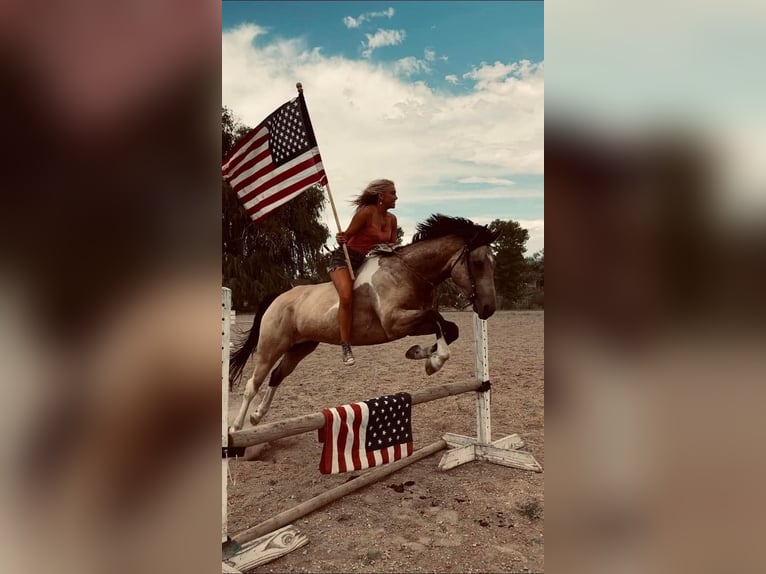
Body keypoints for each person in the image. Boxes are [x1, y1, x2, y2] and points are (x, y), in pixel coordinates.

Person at [329, 179, 399, 365]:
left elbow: (393, 242)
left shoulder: (393, 219)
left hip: (371, 260)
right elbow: (347, 236)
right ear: (381, 197)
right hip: (345, 260)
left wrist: (387, 246)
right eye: (393, 193)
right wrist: (340, 237)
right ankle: (345, 345)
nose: (396, 197)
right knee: (346, 297)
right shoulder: (366, 212)